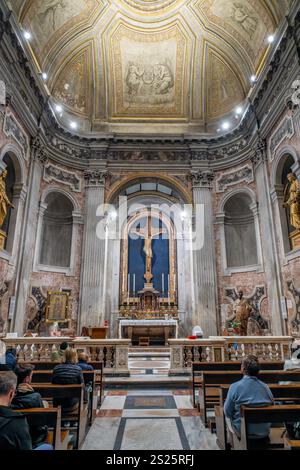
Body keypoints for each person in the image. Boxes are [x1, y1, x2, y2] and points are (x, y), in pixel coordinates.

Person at [224, 355, 274, 445]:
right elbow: (272, 405)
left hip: (242, 432)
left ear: (242, 369)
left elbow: (227, 412)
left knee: (226, 417)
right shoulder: (265, 387)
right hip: (263, 432)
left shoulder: (235, 387)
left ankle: (234, 444)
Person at [11, 364, 49, 448]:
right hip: (34, 438)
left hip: (15, 436)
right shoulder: (35, 397)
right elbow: (41, 421)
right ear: (27, 379)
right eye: (31, 375)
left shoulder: (10, 396)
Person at [52, 348, 83, 413]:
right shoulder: (78, 369)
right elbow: (82, 385)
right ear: (75, 357)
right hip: (71, 402)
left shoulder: (56, 368)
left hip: (57, 402)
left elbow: (53, 382)